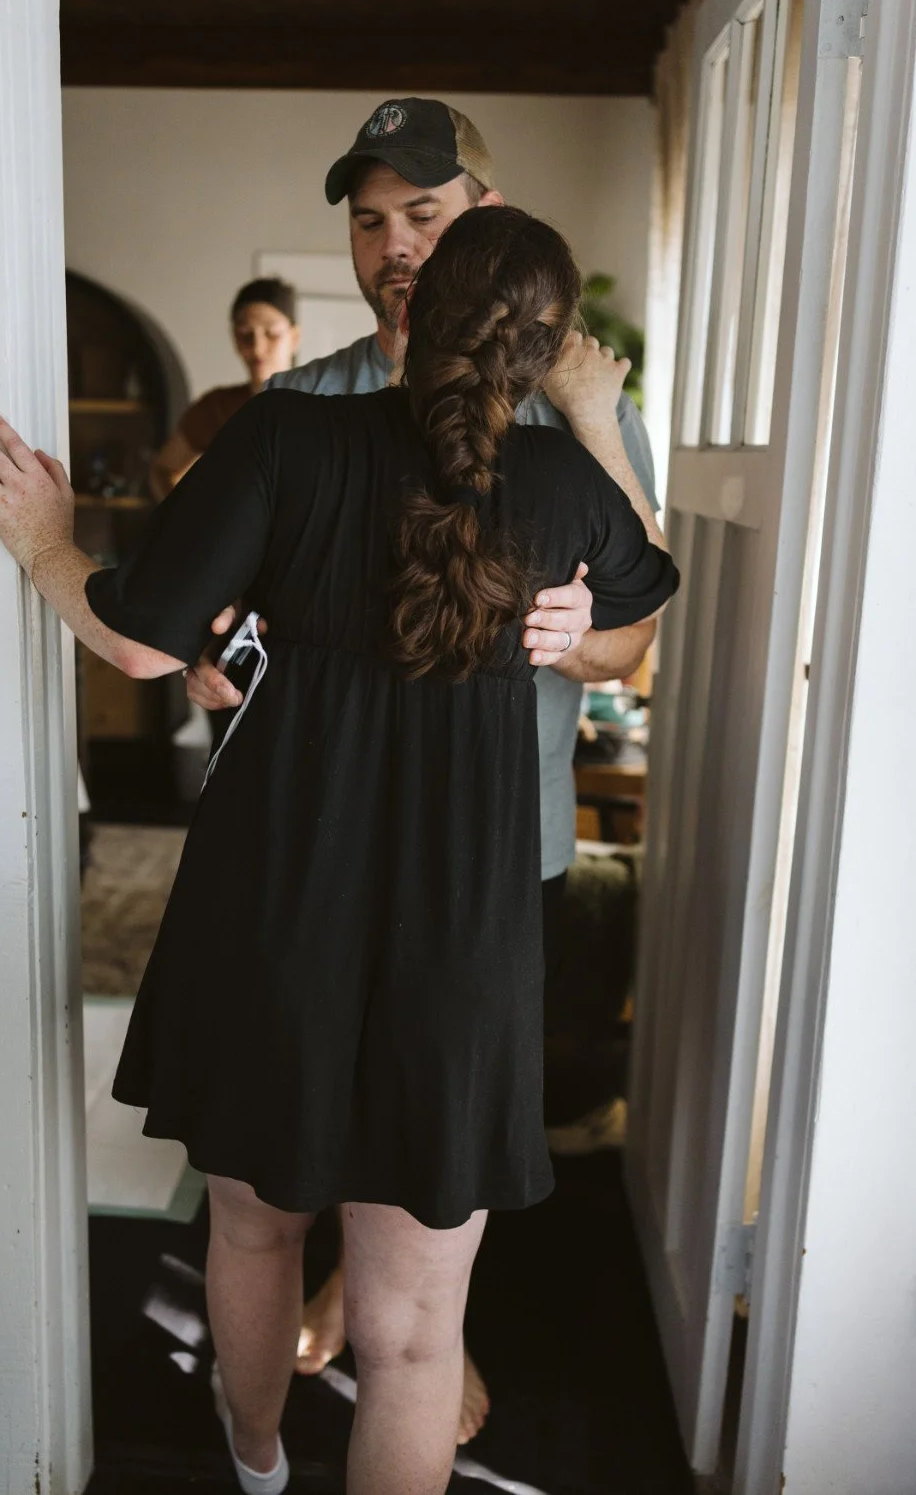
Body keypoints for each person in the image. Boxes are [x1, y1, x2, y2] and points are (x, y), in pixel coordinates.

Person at [0, 205, 678, 1495]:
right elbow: (643, 583)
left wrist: (45, 540)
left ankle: (256, 1457)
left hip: (274, 904)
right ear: (547, 347)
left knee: (251, 1229)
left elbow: (136, 643)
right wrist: (589, 420)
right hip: (460, 937)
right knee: (410, 1335)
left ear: (411, 308)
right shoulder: (564, 485)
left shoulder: (286, 435)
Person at [185, 97, 664, 1441]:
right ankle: (382, 1333)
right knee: (322, 1149)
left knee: (432, 1151)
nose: (397, 246)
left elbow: (631, 630)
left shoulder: (583, 414)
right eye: (372, 219)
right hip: (324, 843)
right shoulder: (305, 404)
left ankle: (382, 1324)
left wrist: (582, 635)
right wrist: (208, 649)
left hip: (501, 848)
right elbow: (205, 620)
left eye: (427, 216)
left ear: (487, 228)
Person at [149, 277, 299, 500]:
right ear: (234, 338)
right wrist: (189, 521)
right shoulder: (216, 407)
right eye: (245, 333)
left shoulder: (322, 402)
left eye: (272, 334)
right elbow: (164, 469)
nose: (257, 348)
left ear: (294, 337)